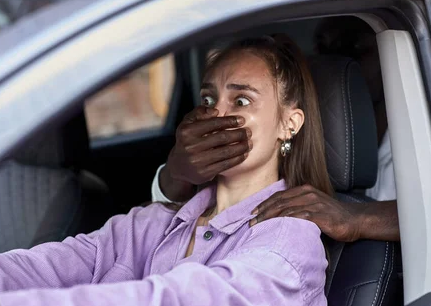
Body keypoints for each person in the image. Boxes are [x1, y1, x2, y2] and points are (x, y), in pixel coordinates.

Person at [0, 36, 330, 306]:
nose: (217, 115)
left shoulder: (289, 246)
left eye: (241, 101)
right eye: (207, 100)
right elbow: (36, 270)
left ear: (289, 124)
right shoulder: (153, 223)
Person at [152, 17, 399, 242]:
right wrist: (177, 174)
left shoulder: (428, 132)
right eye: (325, 48)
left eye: (354, 48)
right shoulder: (162, 221)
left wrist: (359, 217)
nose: (338, 61)